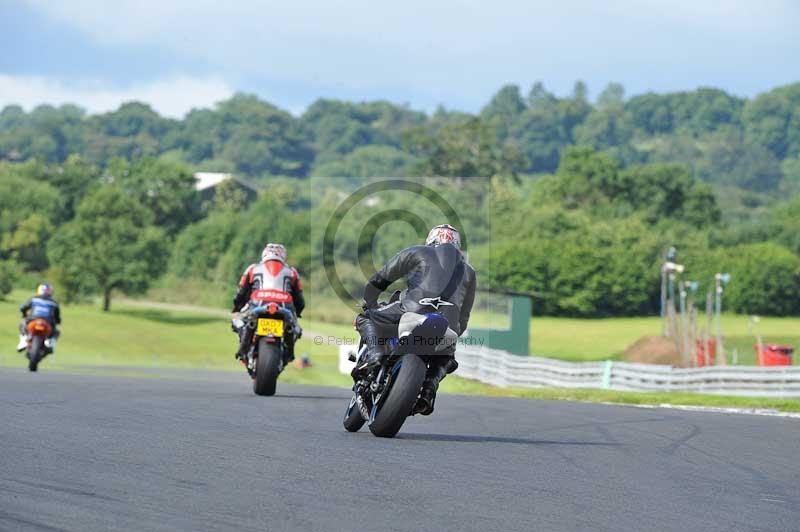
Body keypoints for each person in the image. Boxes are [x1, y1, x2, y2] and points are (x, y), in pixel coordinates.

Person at [354, 224, 476, 415]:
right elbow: (465, 316)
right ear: (457, 245)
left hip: (410, 311)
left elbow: (382, 277)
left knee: (365, 318)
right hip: (447, 325)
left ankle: (375, 355)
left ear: (431, 240)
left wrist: (370, 300)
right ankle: (429, 388)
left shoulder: (417, 252)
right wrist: (455, 333)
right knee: (446, 358)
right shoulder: (470, 272)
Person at [232, 243, 305, 361]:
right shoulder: (292, 272)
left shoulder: (252, 268)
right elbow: (299, 299)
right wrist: (298, 311)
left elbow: (241, 292)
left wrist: (237, 306)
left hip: (258, 303)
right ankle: (289, 353)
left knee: (237, 320)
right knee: (295, 328)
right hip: (284, 306)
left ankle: (242, 350)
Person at [17, 283, 61, 352]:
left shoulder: (34, 299)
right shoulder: (54, 302)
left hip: (33, 319)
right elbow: (57, 317)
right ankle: (49, 342)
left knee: (22, 325)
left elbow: (23, 308)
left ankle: (23, 340)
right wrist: (58, 321)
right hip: (48, 322)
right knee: (56, 331)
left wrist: (24, 314)